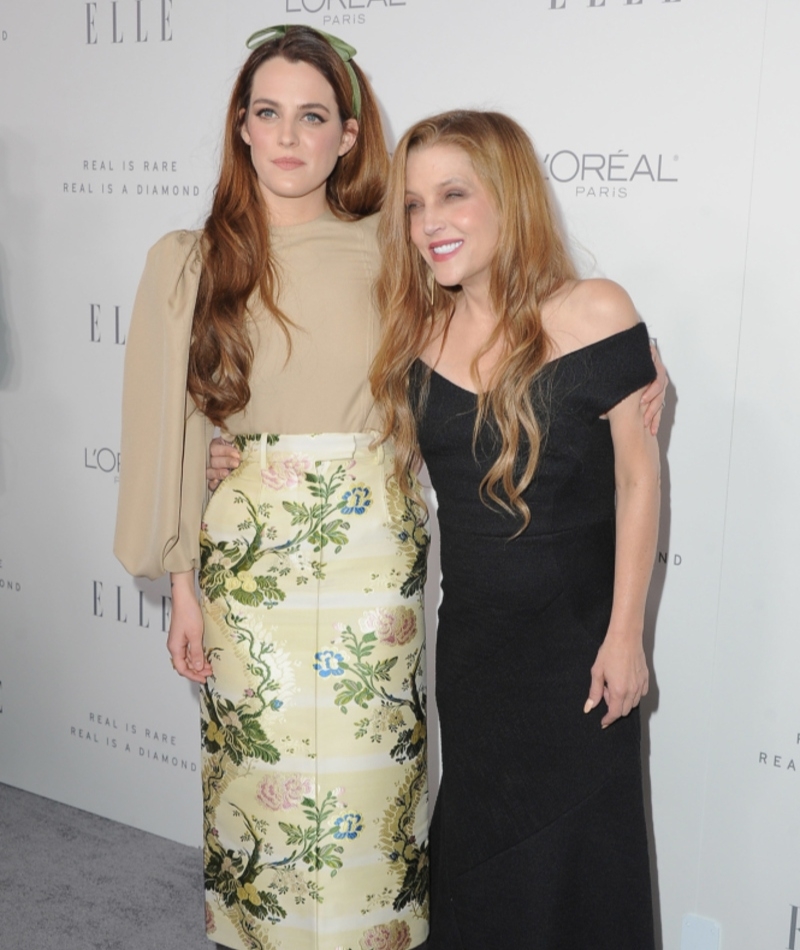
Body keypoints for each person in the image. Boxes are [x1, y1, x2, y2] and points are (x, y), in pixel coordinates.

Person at [114, 26, 430, 950]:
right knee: (264, 785)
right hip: (252, 560)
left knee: (374, 784)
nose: (289, 136)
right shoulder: (187, 256)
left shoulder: (395, 248)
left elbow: (500, 326)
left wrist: (626, 359)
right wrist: (182, 585)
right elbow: (167, 427)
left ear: (347, 136)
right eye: (268, 113)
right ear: (241, 128)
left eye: (313, 116)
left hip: (377, 554)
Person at [368, 110, 662, 949]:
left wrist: (626, 636)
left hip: (577, 648)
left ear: (510, 195)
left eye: (453, 196)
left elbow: (640, 478)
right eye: (415, 206)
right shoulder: (419, 331)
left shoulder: (595, 309)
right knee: (480, 850)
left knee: (581, 856)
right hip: (474, 652)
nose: (431, 225)